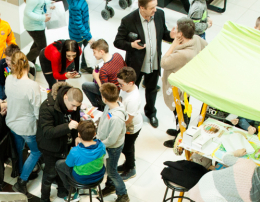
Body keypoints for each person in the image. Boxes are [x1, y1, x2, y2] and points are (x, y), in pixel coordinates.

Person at [113, 0, 174, 128]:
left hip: (154, 62)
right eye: (152, 8)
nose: (155, 10)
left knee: (152, 89)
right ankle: (126, 114)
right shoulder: (128, 20)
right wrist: (131, 45)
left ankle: (151, 113)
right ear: (142, 8)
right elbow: (118, 41)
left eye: (155, 6)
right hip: (136, 65)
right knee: (130, 91)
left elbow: (163, 34)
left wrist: (171, 35)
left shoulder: (159, 15)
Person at [36, 82, 83, 202]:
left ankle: (62, 189)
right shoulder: (47, 107)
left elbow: (76, 120)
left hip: (66, 144)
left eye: (77, 107)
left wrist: (76, 138)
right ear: (66, 97)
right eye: (73, 105)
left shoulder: (74, 104)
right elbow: (47, 132)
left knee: (64, 169)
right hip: (50, 147)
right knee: (49, 174)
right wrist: (67, 127)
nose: (74, 109)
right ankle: (44, 199)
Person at [160, 17, 207, 147]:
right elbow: (206, 47)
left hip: (178, 87)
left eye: (176, 29)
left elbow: (163, 63)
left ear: (180, 34)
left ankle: (179, 137)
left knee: (179, 112)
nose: (174, 30)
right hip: (187, 81)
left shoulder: (184, 53)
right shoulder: (196, 39)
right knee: (184, 109)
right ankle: (179, 130)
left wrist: (173, 44)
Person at [6, 51, 43, 195]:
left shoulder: (8, 79)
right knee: (36, 151)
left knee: (20, 149)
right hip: (27, 127)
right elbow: (37, 111)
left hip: (12, 122)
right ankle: (22, 181)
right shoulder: (32, 86)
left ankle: (21, 170)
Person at [97, 83, 130, 202]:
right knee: (110, 167)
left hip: (113, 147)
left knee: (112, 171)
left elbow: (112, 139)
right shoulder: (110, 106)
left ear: (104, 98)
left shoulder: (117, 118)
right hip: (106, 143)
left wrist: (98, 144)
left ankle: (123, 194)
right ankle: (110, 186)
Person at [56, 120, 106, 202]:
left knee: (59, 164)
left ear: (79, 134)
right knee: (93, 164)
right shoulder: (101, 146)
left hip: (81, 179)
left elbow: (69, 164)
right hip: (98, 175)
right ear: (94, 134)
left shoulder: (75, 151)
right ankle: (93, 189)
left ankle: (72, 193)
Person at [82, 39, 125, 111]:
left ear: (101, 52)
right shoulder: (118, 55)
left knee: (85, 85)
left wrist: (96, 77)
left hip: (112, 92)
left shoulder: (104, 70)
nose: (93, 54)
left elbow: (105, 90)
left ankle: (98, 107)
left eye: (94, 52)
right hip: (121, 88)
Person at [117, 67, 143, 180]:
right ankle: (127, 164)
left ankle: (131, 168)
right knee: (127, 147)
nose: (120, 86)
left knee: (127, 148)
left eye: (121, 84)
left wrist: (118, 126)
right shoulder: (126, 88)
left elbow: (129, 120)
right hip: (126, 120)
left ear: (130, 83)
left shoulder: (133, 99)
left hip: (131, 127)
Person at [23, 0, 52, 67]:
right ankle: (24, 63)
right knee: (41, 47)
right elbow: (27, 12)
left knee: (37, 45)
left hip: (38, 24)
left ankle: (30, 64)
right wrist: (42, 17)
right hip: (34, 26)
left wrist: (49, 3)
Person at [67, 0, 92, 73]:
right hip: (77, 34)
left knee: (87, 48)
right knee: (75, 51)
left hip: (85, 31)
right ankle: (70, 69)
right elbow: (78, 25)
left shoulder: (81, 2)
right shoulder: (76, 6)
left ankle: (84, 66)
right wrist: (88, 36)